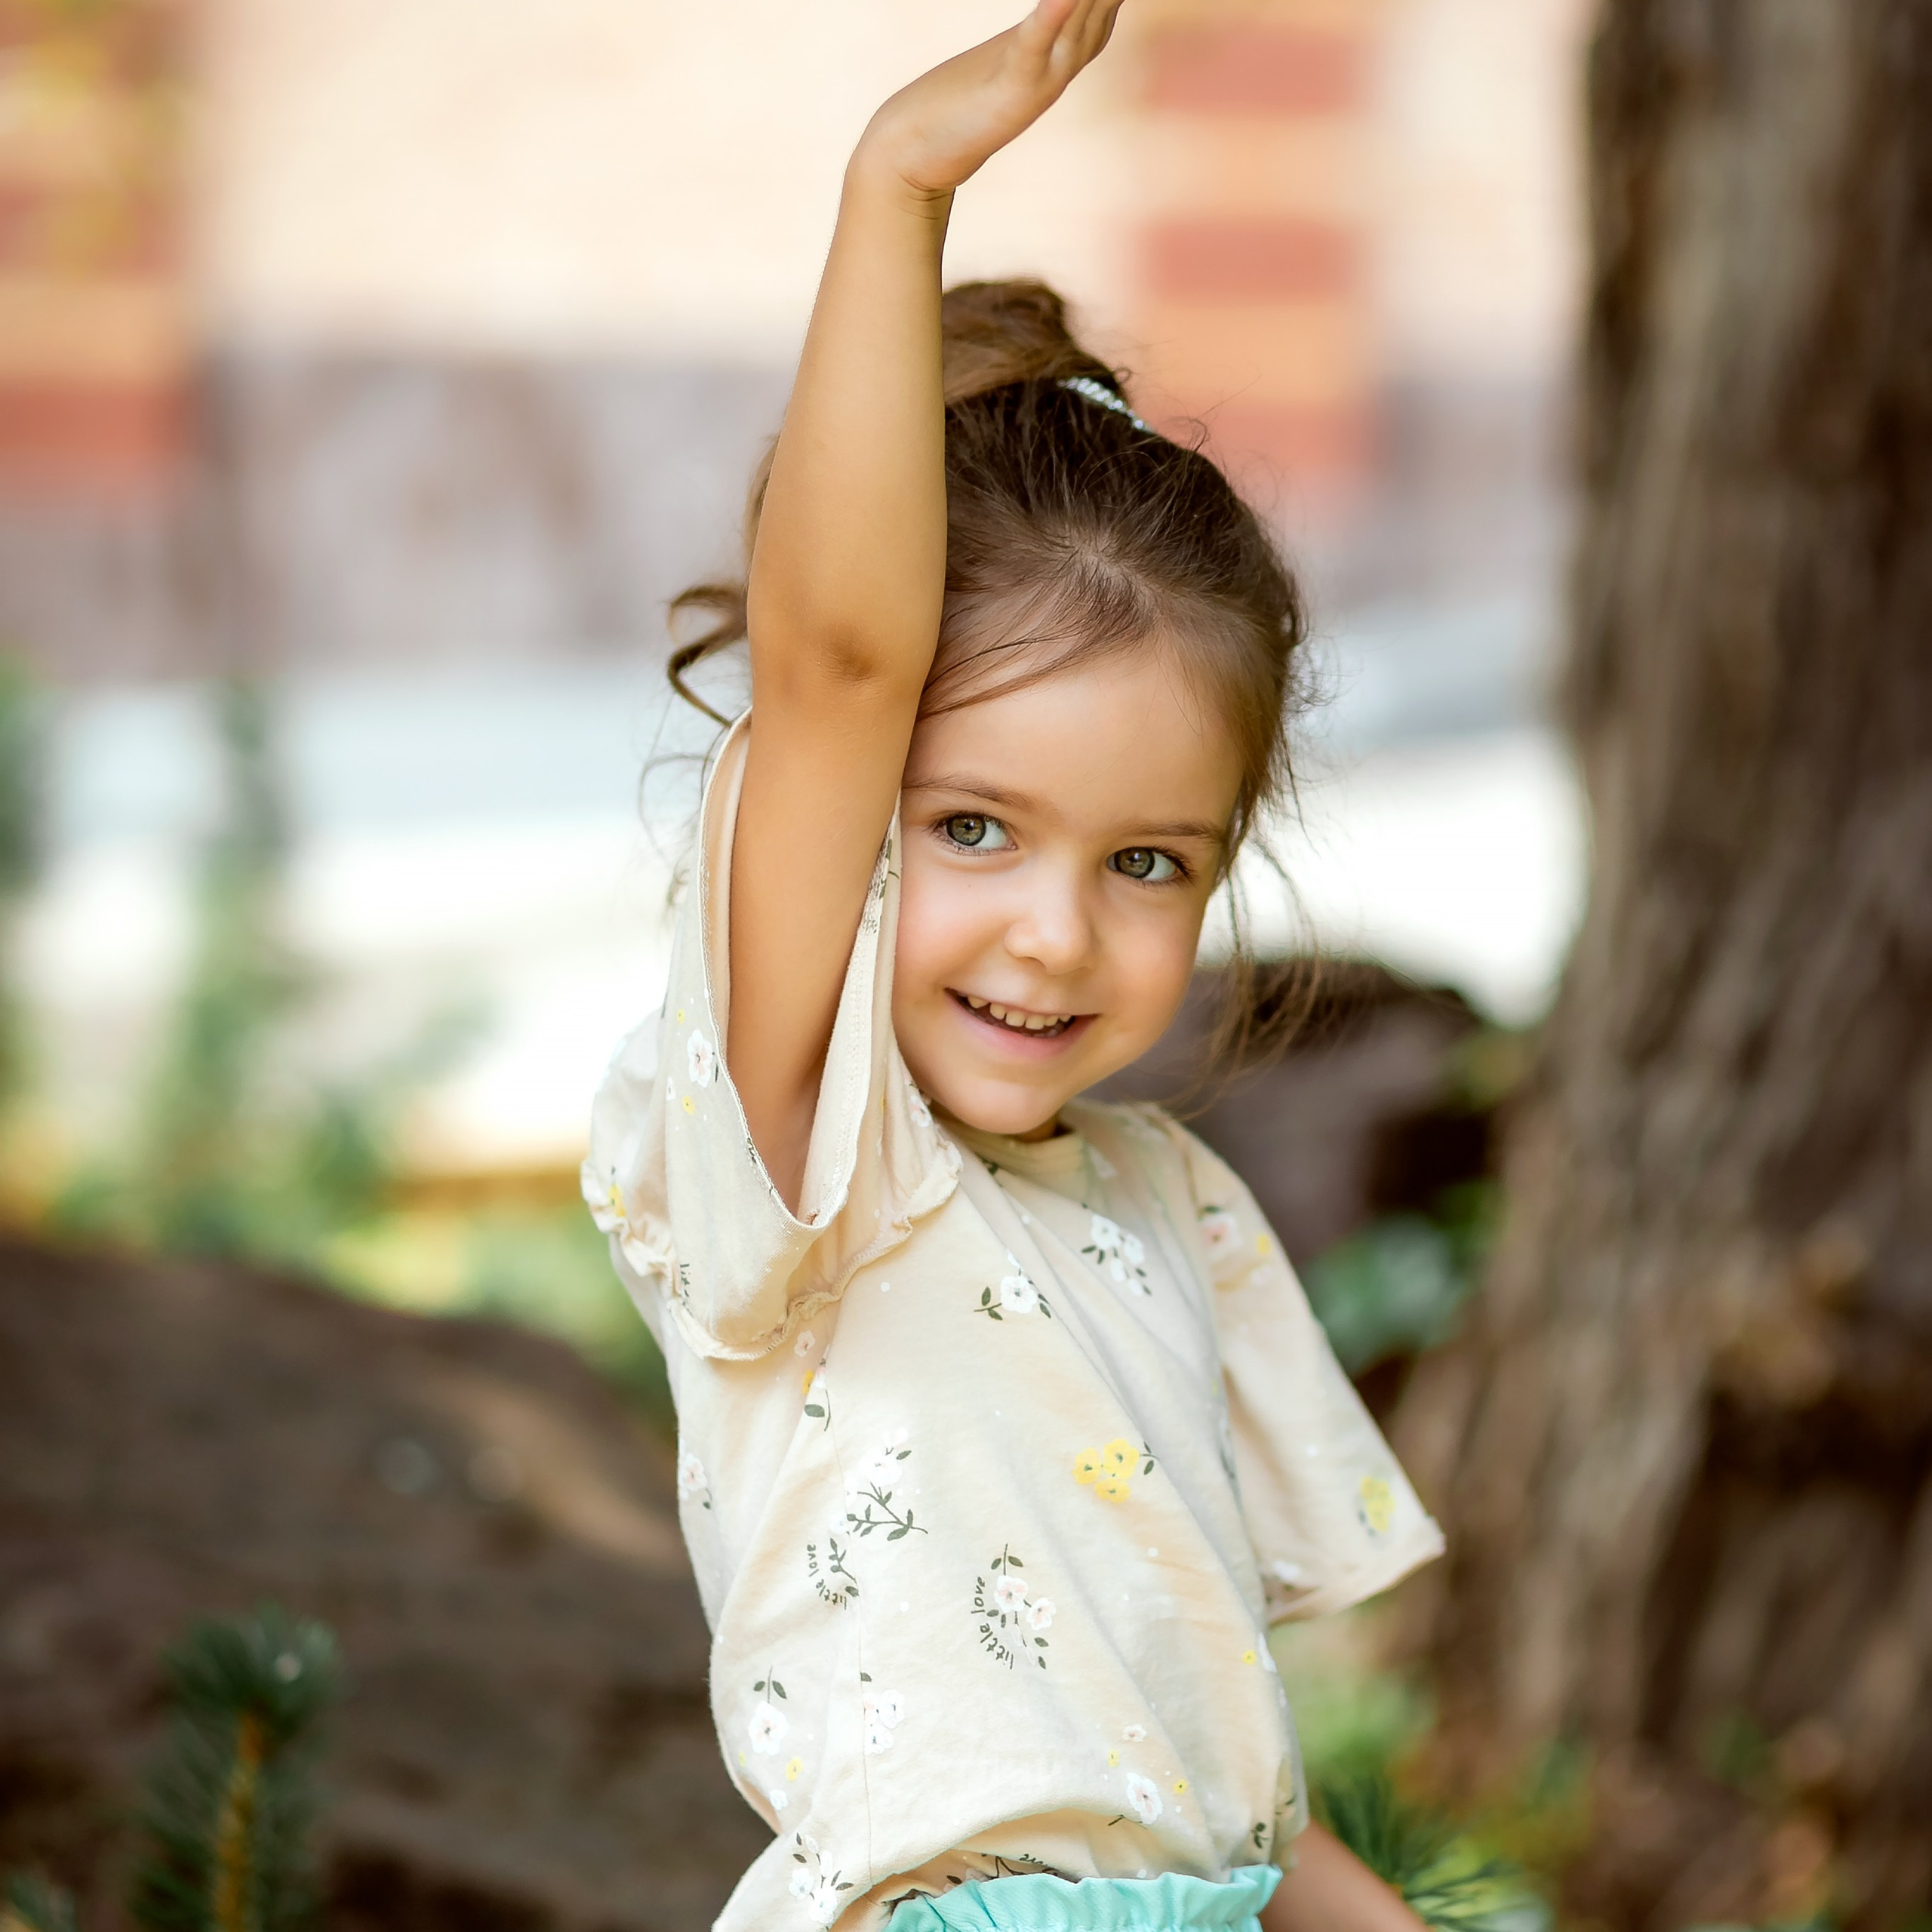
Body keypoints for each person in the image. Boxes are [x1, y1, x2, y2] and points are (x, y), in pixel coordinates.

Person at [584, 5, 1444, 1928]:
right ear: (855, 809)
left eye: (1146, 861)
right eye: (970, 825)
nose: (1057, 930)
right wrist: (896, 190)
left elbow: (1214, 1775)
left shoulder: (1168, 1207)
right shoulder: (813, 1150)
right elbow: (839, 666)